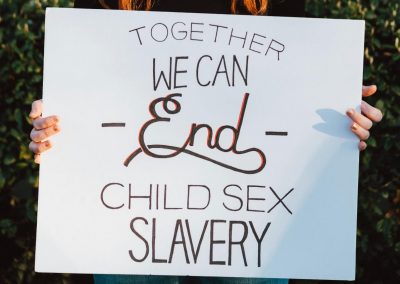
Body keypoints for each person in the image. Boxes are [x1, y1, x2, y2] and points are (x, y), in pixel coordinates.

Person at [28, 0, 384, 283]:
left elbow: (293, 84)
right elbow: (84, 85)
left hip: (250, 217)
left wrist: (341, 117)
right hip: (129, 217)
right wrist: (56, 127)